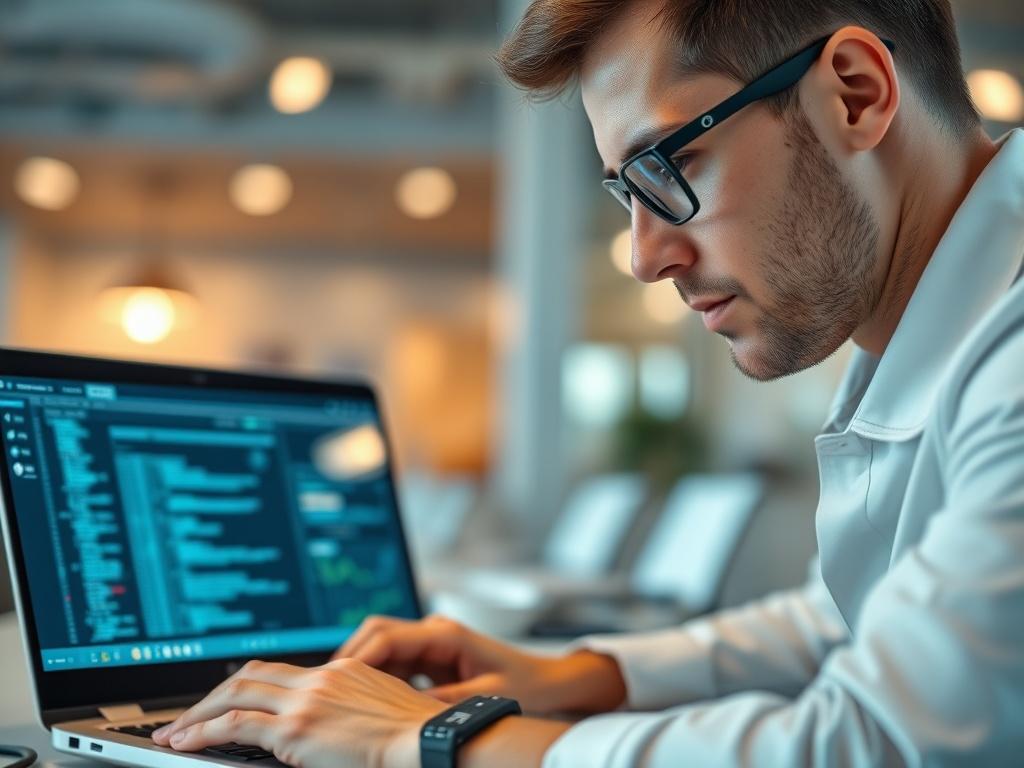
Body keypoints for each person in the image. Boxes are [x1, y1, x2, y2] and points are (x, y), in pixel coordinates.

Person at [152, 0, 1024, 765]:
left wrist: (422, 739)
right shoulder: (933, 333)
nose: (646, 257)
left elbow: (882, 743)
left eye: (666, 168)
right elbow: (847, 616)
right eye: (625, 191)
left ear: (854, 95)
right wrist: (580, 674)